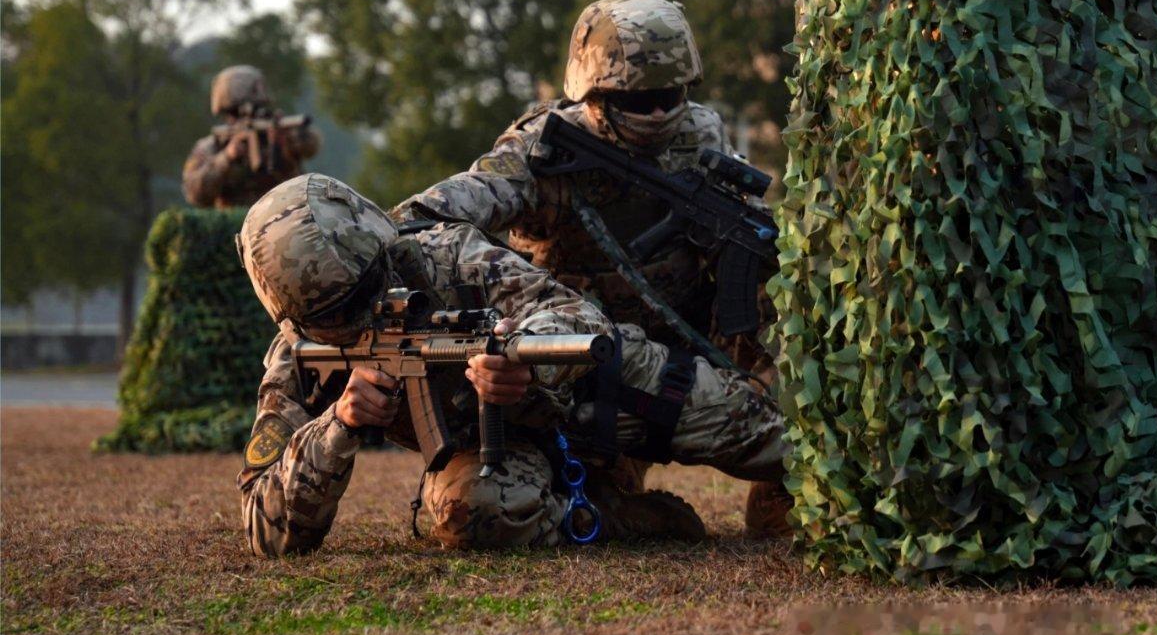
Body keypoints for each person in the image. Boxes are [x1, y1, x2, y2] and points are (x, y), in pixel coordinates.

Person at [392, 0, 793, 537]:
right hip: (573, 375)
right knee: (489, 506)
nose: (655, 114)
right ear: (593, 92)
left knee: (776, 284)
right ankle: (622, 510)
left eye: (667, 97)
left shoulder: (702, 136)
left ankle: (780, 491)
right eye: (636, 100)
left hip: (677, 365)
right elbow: (430, 216)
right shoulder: (543, 150)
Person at [235, 173, 787, 556]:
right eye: (338, 311)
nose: (367, 311)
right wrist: (339, 427)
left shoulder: (444, 254)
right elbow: (265, 530)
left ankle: (790, 488)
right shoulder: (299, 356)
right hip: (500, 448)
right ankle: (609, 513)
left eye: (370, 283)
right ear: (298, 317)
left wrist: (526, 358)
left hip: (596, 384)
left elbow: (577, 317)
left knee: (780, 442)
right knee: (471, 510)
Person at [183, 65, 322, 209]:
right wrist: (227, 157)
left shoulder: (277, 134)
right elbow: (195, 194)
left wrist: (282, 143)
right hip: (236, 225)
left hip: (283, 218)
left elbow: (311, 146)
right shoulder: (213, 146)